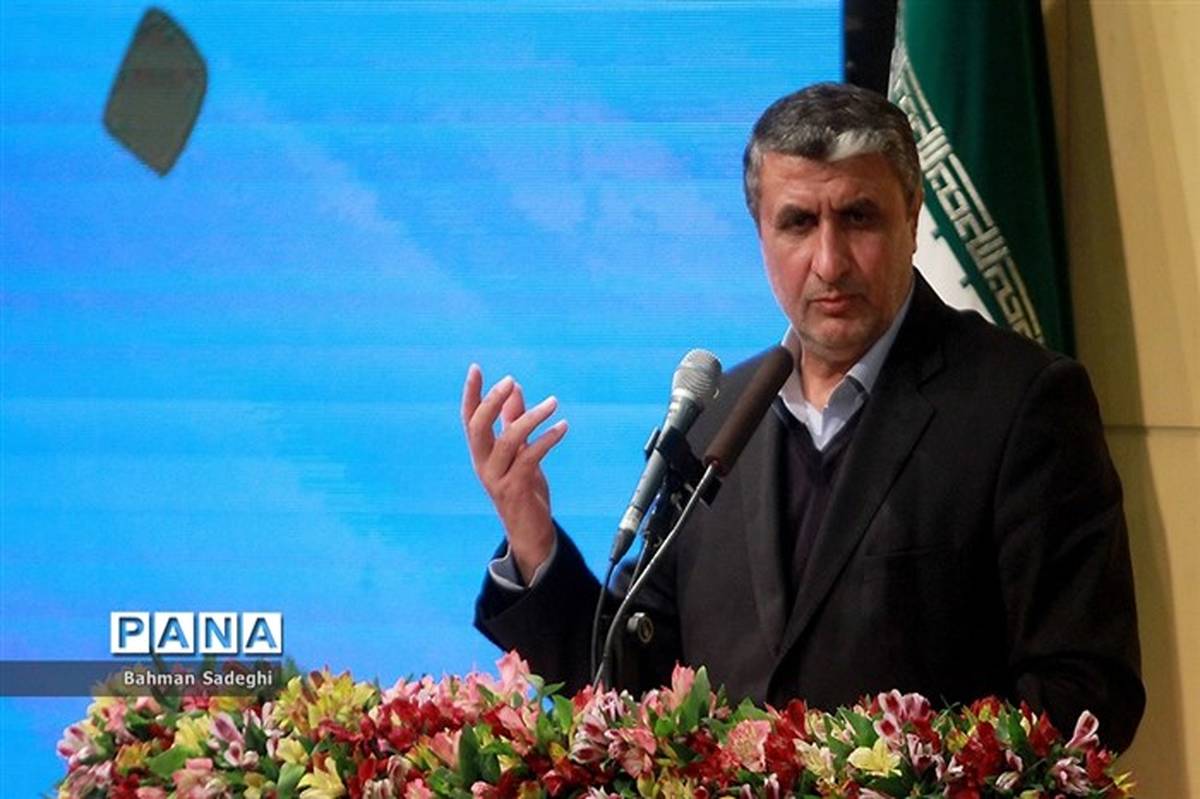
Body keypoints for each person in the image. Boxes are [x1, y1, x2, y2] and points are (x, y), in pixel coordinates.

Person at [461, 83, 1144, 751]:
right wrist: (533, 539)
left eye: (859, 218)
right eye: (798, 223)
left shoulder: (1021, 405)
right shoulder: (716, 417)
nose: (829, 262)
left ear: (912, 218)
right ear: (760, 233)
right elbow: (631, 692)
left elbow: (1088, 693)